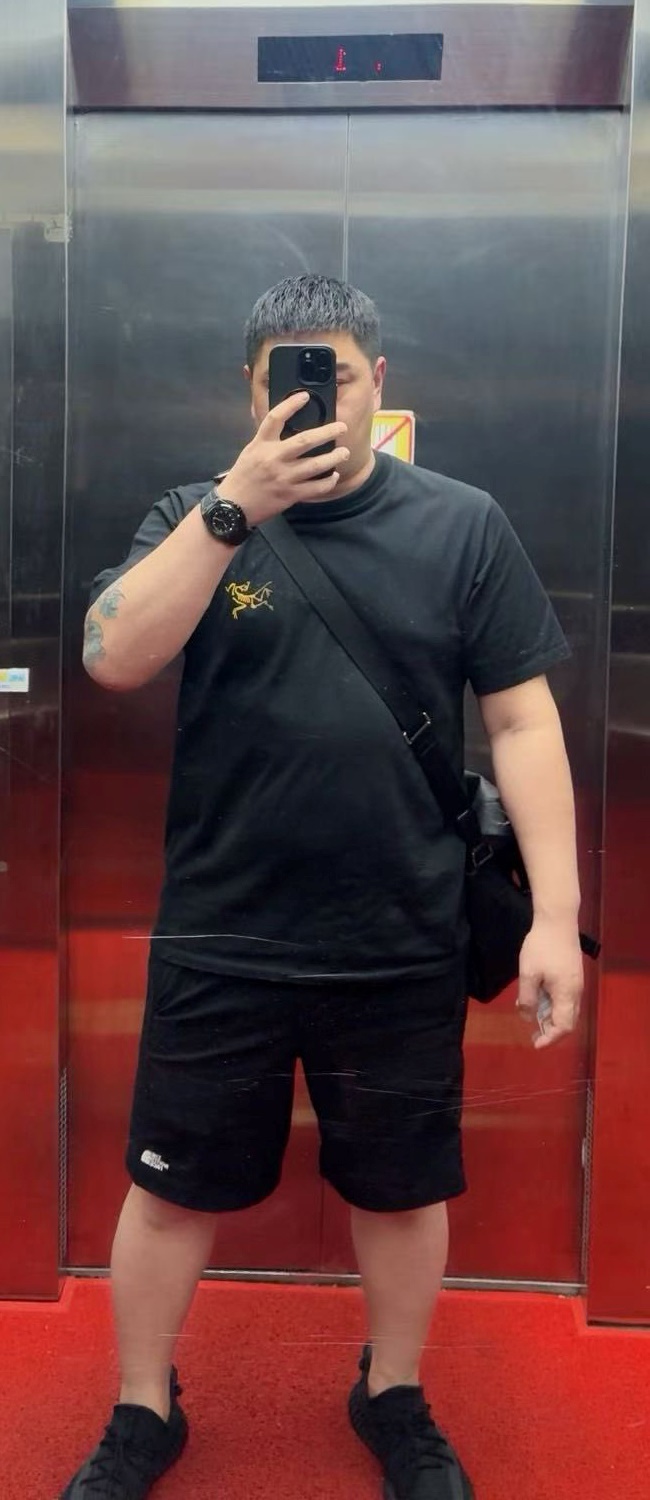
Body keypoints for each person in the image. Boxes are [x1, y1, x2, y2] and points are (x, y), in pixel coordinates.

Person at [62, 275, 584, 1500]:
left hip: (398, 932)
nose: (313, 400)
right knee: (169, 1193)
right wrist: (235, 508)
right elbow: (113, 657)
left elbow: (521, 721)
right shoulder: (194, 513)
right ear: (248, 391)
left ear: (375, 380)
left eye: (335, 374)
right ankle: (143, 1407)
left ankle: (390, 1391)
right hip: (221, 930)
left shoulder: (462, 525)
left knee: (401, 1192)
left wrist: (555, 917)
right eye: (285, 378)